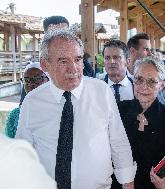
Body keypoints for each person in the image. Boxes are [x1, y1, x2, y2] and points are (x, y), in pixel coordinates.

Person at [16, 29, 136, 189]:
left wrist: (127, 182)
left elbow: (118, 140)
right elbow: (23, 152)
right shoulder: (32, 102)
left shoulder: (101, 91)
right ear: (45, 64)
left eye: (78, 59)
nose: (73, 68)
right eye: (63, 61)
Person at [117, 57, 165, 189]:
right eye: (139, 79)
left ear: (162, 84)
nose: (144, 86)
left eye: (151, 82)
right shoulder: (118, 111)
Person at [5, 62, 49, 138]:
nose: (31, 84)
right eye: (27, 80)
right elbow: (9, 144)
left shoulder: (61, 110)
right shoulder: (15, 115)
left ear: (49, 81)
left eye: (38, 79)